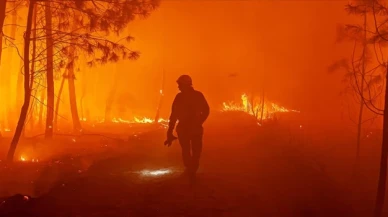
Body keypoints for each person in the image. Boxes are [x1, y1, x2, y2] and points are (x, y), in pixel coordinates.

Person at [165, 75, 210, 182]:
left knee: (190, 150)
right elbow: (206, 111)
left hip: (187, 128)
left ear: (185, 84)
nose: (178, 87)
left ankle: (191, 170)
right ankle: (191, 170)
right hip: (190, 128)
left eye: (179, 84)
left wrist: (170, 131)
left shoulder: (181, 97)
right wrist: (199, 122)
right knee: (194, 150)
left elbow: (174, 115)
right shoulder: (196, 95)